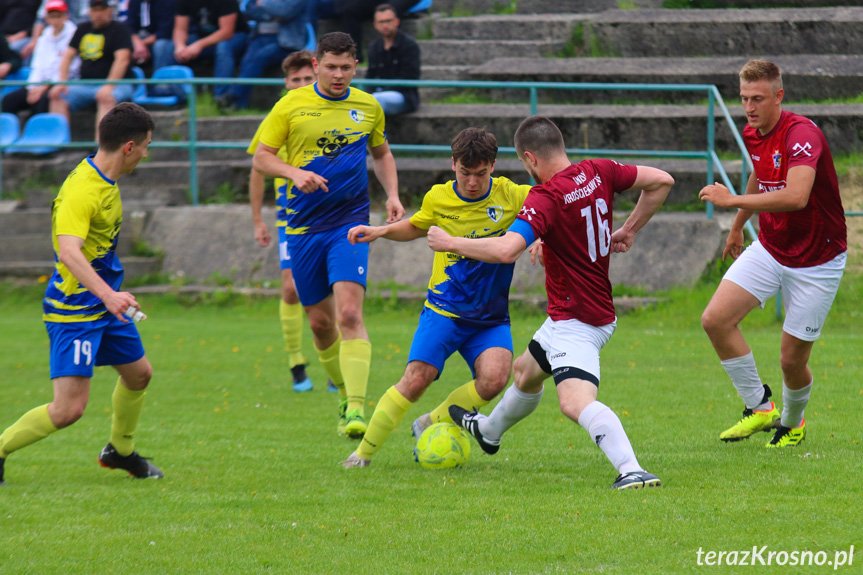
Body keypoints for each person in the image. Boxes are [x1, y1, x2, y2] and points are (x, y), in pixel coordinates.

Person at [428, 116, 673, 490]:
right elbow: (662, 181)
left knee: (573, 402)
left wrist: (452, 243)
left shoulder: (548, 197)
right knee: (526, 372)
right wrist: (629, 229)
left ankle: (631, 469)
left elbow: (507, 249)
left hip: (580, 320)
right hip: (572, 313)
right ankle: (489, 431)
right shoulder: (598, 171)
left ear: (529, 158)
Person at [340, 127, 532, 468]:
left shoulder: (513, 195)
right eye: (465, 173)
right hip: (443, 311)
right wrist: (381, 231)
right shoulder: (439, 197)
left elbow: (546, 214)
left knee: (495, 379)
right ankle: (362, 455)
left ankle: (431, 421)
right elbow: (416, 225)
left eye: (481, 174)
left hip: (489, 317)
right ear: (453, 163)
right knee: (416, 380)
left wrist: (543, 237)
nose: (472, 182)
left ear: (493, 166)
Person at [0, 103, 162, 486]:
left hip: (104, 302)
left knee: (139, 375)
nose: (146, 153)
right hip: (75, 309)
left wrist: (111, 295)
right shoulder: (81, 191)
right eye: (145, 146)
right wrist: (109, 295)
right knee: (68, 410)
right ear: (128, 147)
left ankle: (119, 452)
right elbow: (69, 251)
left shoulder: (106, 180)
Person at [253, 32, 403, 438]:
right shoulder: (291, 106)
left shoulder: (368, 107)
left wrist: (391, 194)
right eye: (331, 67)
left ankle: (356, 408)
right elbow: (262, 157)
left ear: (356, 67)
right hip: (301, 227)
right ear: (316, 65)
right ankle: (342, 393)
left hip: (348, 222)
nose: (339, 75)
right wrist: (294, 172)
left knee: (349, 314)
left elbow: (382, 153)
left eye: (346, 67)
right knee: (320, 324)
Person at [698, 59, 847, 449]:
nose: (749, 107)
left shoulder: (801, 135)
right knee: (715, 320)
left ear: (779, 96)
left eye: (758, 98)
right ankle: (760, 408)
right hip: (771, 247)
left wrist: (730, 201)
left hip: (819, 259)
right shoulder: (754, 131)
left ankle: (793, 424)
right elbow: (760, 173)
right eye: (744, 98)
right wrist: (737, 226)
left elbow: (796, 197)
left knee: (790, 361)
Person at [247, 49, 336, 393]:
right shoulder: (278, 118)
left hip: (330, 217)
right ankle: (296, 363)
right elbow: (257, 168)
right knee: (289, 287)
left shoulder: (327, 115)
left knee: (334, 294)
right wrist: (257, 219)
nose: (300, 84)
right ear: (286, 83)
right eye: (294, 80)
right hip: (291, 218)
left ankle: (334, 364)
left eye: (306, 79)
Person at [48, 0, 136, 140]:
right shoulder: (82, 28)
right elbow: (67, 56)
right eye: (95, 10)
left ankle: (101, 149)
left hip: (119, 83)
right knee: (57, 95)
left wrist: (109, 85)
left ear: (110, 10)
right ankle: (58, 144)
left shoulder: (121, 29)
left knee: (106, 98)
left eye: (102, 9)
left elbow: (122, 59)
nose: (98, 14)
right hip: (86, 84)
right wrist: (62, 82)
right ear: (89, 11)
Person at [214, 0, 315, 110]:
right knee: (247, 61)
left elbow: (285, 12)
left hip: (287, 43)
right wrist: (274, 12)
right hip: (259, 37)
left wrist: (263, 3)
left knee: (261, 57)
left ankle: (232, 95)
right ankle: (238, 105)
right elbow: (249, 9)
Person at [152, 0, 247, 100]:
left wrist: (198, 45)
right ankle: (164, 90)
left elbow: (226, 32)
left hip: (235, 37)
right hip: (203, 38)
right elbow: (180, 29)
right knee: (168, 47)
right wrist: (180, 46)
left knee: (223, 48)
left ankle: (220, 97)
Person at [2, 0, 78, 117]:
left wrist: (44, 87)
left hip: (61, 84)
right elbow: (37, 66)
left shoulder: (75, 35)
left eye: (59, 16)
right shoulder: (44, 38)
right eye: (52, 16)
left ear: (66, 16)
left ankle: (39, 134)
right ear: (47, 18)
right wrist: (33, 87)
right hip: (40, 84)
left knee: (42, 100)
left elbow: (71, 69)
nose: (56, 20)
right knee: (9, 101)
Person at [363, 3, 418, 116]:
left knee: (377, 100)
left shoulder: (409, 45)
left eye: (388, 21)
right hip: (378, 93)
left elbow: (409, 77)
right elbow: (370, 76)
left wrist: (382, 90)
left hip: (403, 96)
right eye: (381, 22)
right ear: (375, 24)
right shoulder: (373, 46)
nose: (385, 25)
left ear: (396, 21)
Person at [126, 0, 176, 67]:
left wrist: (142, 44)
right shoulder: (135, 2)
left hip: (166, 38)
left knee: (161, 46)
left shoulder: (169, 2)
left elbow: (166, 31)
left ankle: (160, 76)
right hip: (141, 38)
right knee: (122, 43)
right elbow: (129, 26)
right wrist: (137, 43)